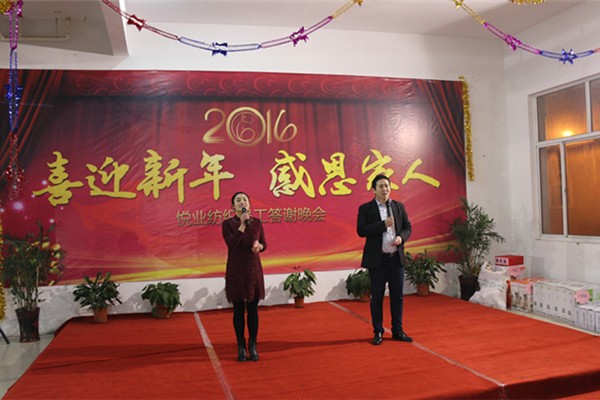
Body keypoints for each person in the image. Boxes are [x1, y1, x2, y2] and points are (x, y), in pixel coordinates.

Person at [356, 174, 413, 345]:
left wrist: (401, 238)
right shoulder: (366, 209)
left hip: (396, 259)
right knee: (377, 298)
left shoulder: (398, 206)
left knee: (397, 297)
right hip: (378, 261)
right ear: (374, 190)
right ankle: (378, 331)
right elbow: (361, 230)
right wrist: (383, 225)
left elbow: (407, 227)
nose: (384, 189)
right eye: (380, 186)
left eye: (387, 186)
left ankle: (397, 331)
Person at [222, 191, 267, 362]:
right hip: (236, 270)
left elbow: (264, 243)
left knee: (253, 309)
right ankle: (240, 346)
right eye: (238, 200)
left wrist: (259, 246)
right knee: (239, 309)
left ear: (249, 205)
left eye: (245, 200)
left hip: (253, 269)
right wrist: (242, 225)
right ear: (233, 206)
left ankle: (253, 345)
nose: (242, 203)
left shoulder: (257, 223)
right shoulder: (228, 224)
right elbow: (231, 243)